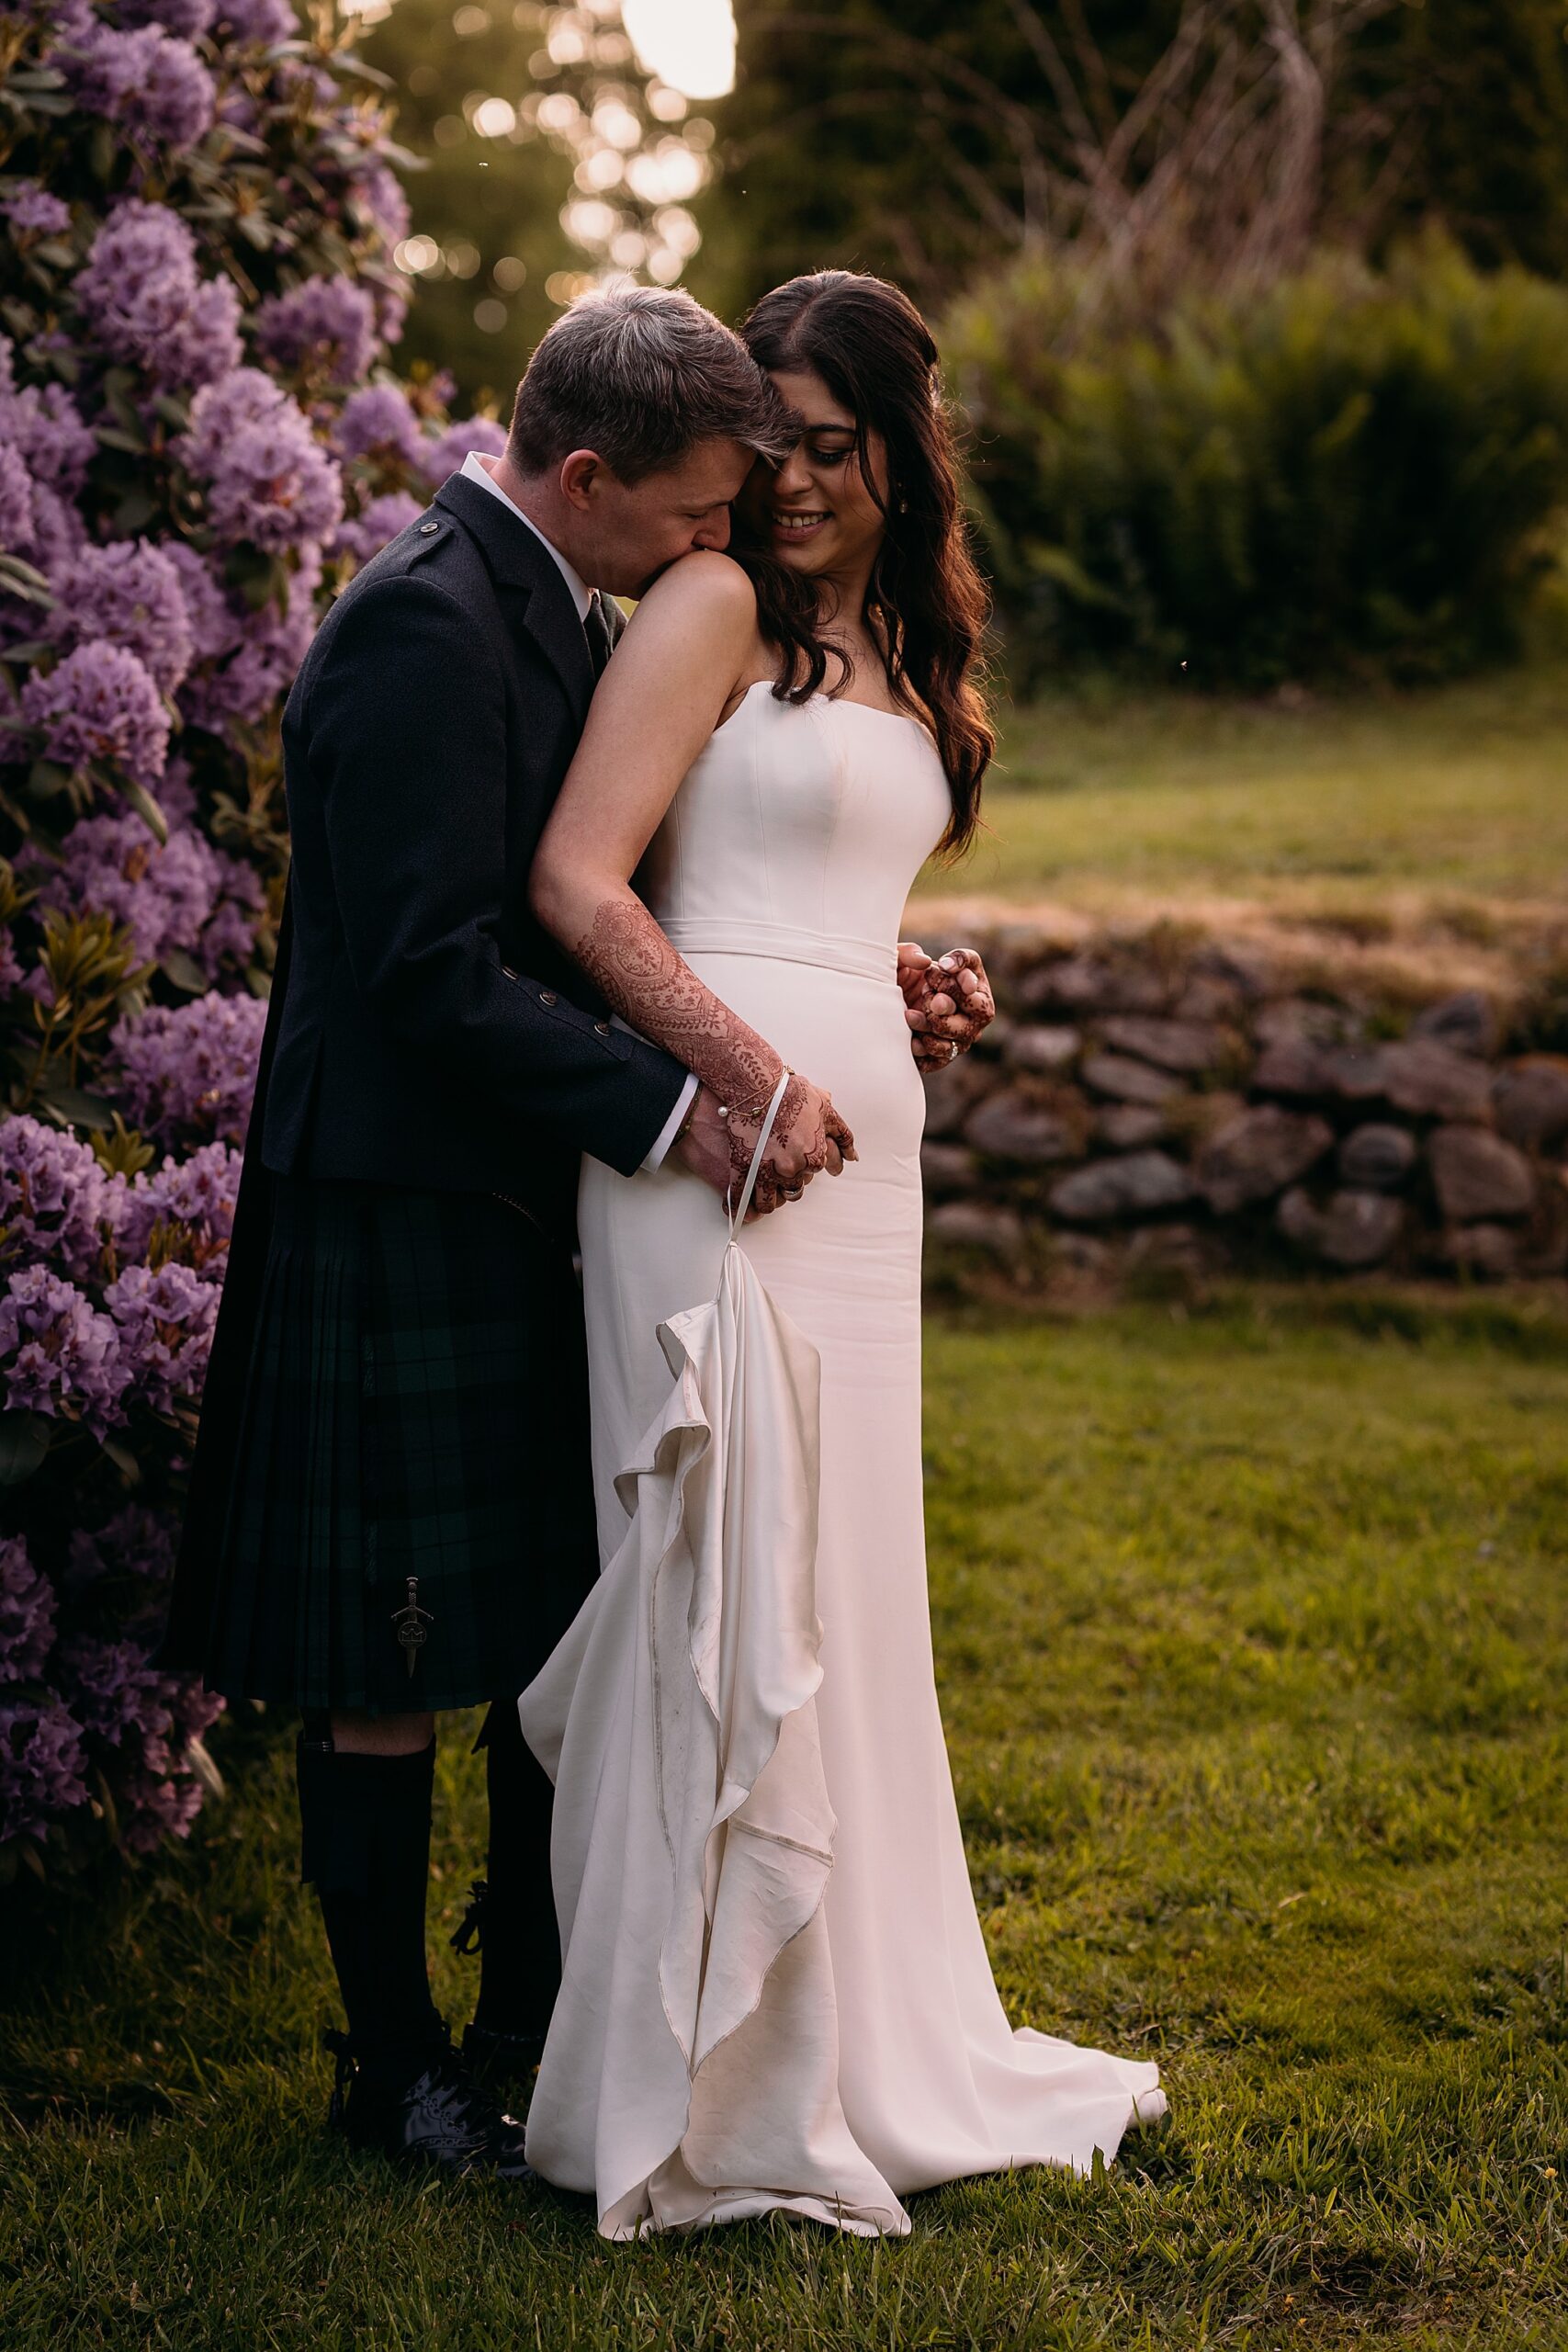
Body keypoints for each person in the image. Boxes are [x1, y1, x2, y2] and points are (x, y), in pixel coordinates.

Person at [158, 288, 908, 2180]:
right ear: (583, 476)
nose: (710, 551)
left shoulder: (538, 600)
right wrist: (685, 1107)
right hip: (392, 1196)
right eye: (683, 515)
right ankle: (393, 2060)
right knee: (390, 1659)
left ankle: (522, 2015)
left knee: (548, 1619)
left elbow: (624, 863)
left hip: (507, 1196)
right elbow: (429, 973)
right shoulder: (423, 623)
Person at [518, 270, 1166, 2237]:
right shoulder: (710, 609)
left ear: (899, 448)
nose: (785, 484)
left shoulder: (906, 644)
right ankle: (682, 2078)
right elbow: (581, 882)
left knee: (841, 1590)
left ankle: (860, 2030)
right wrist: (754, 1059)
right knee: (718, 1575)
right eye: (765, 446)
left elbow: (789, 888)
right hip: (711, 1157)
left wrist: (899, 986)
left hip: (859, 1177)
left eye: (825, 445)